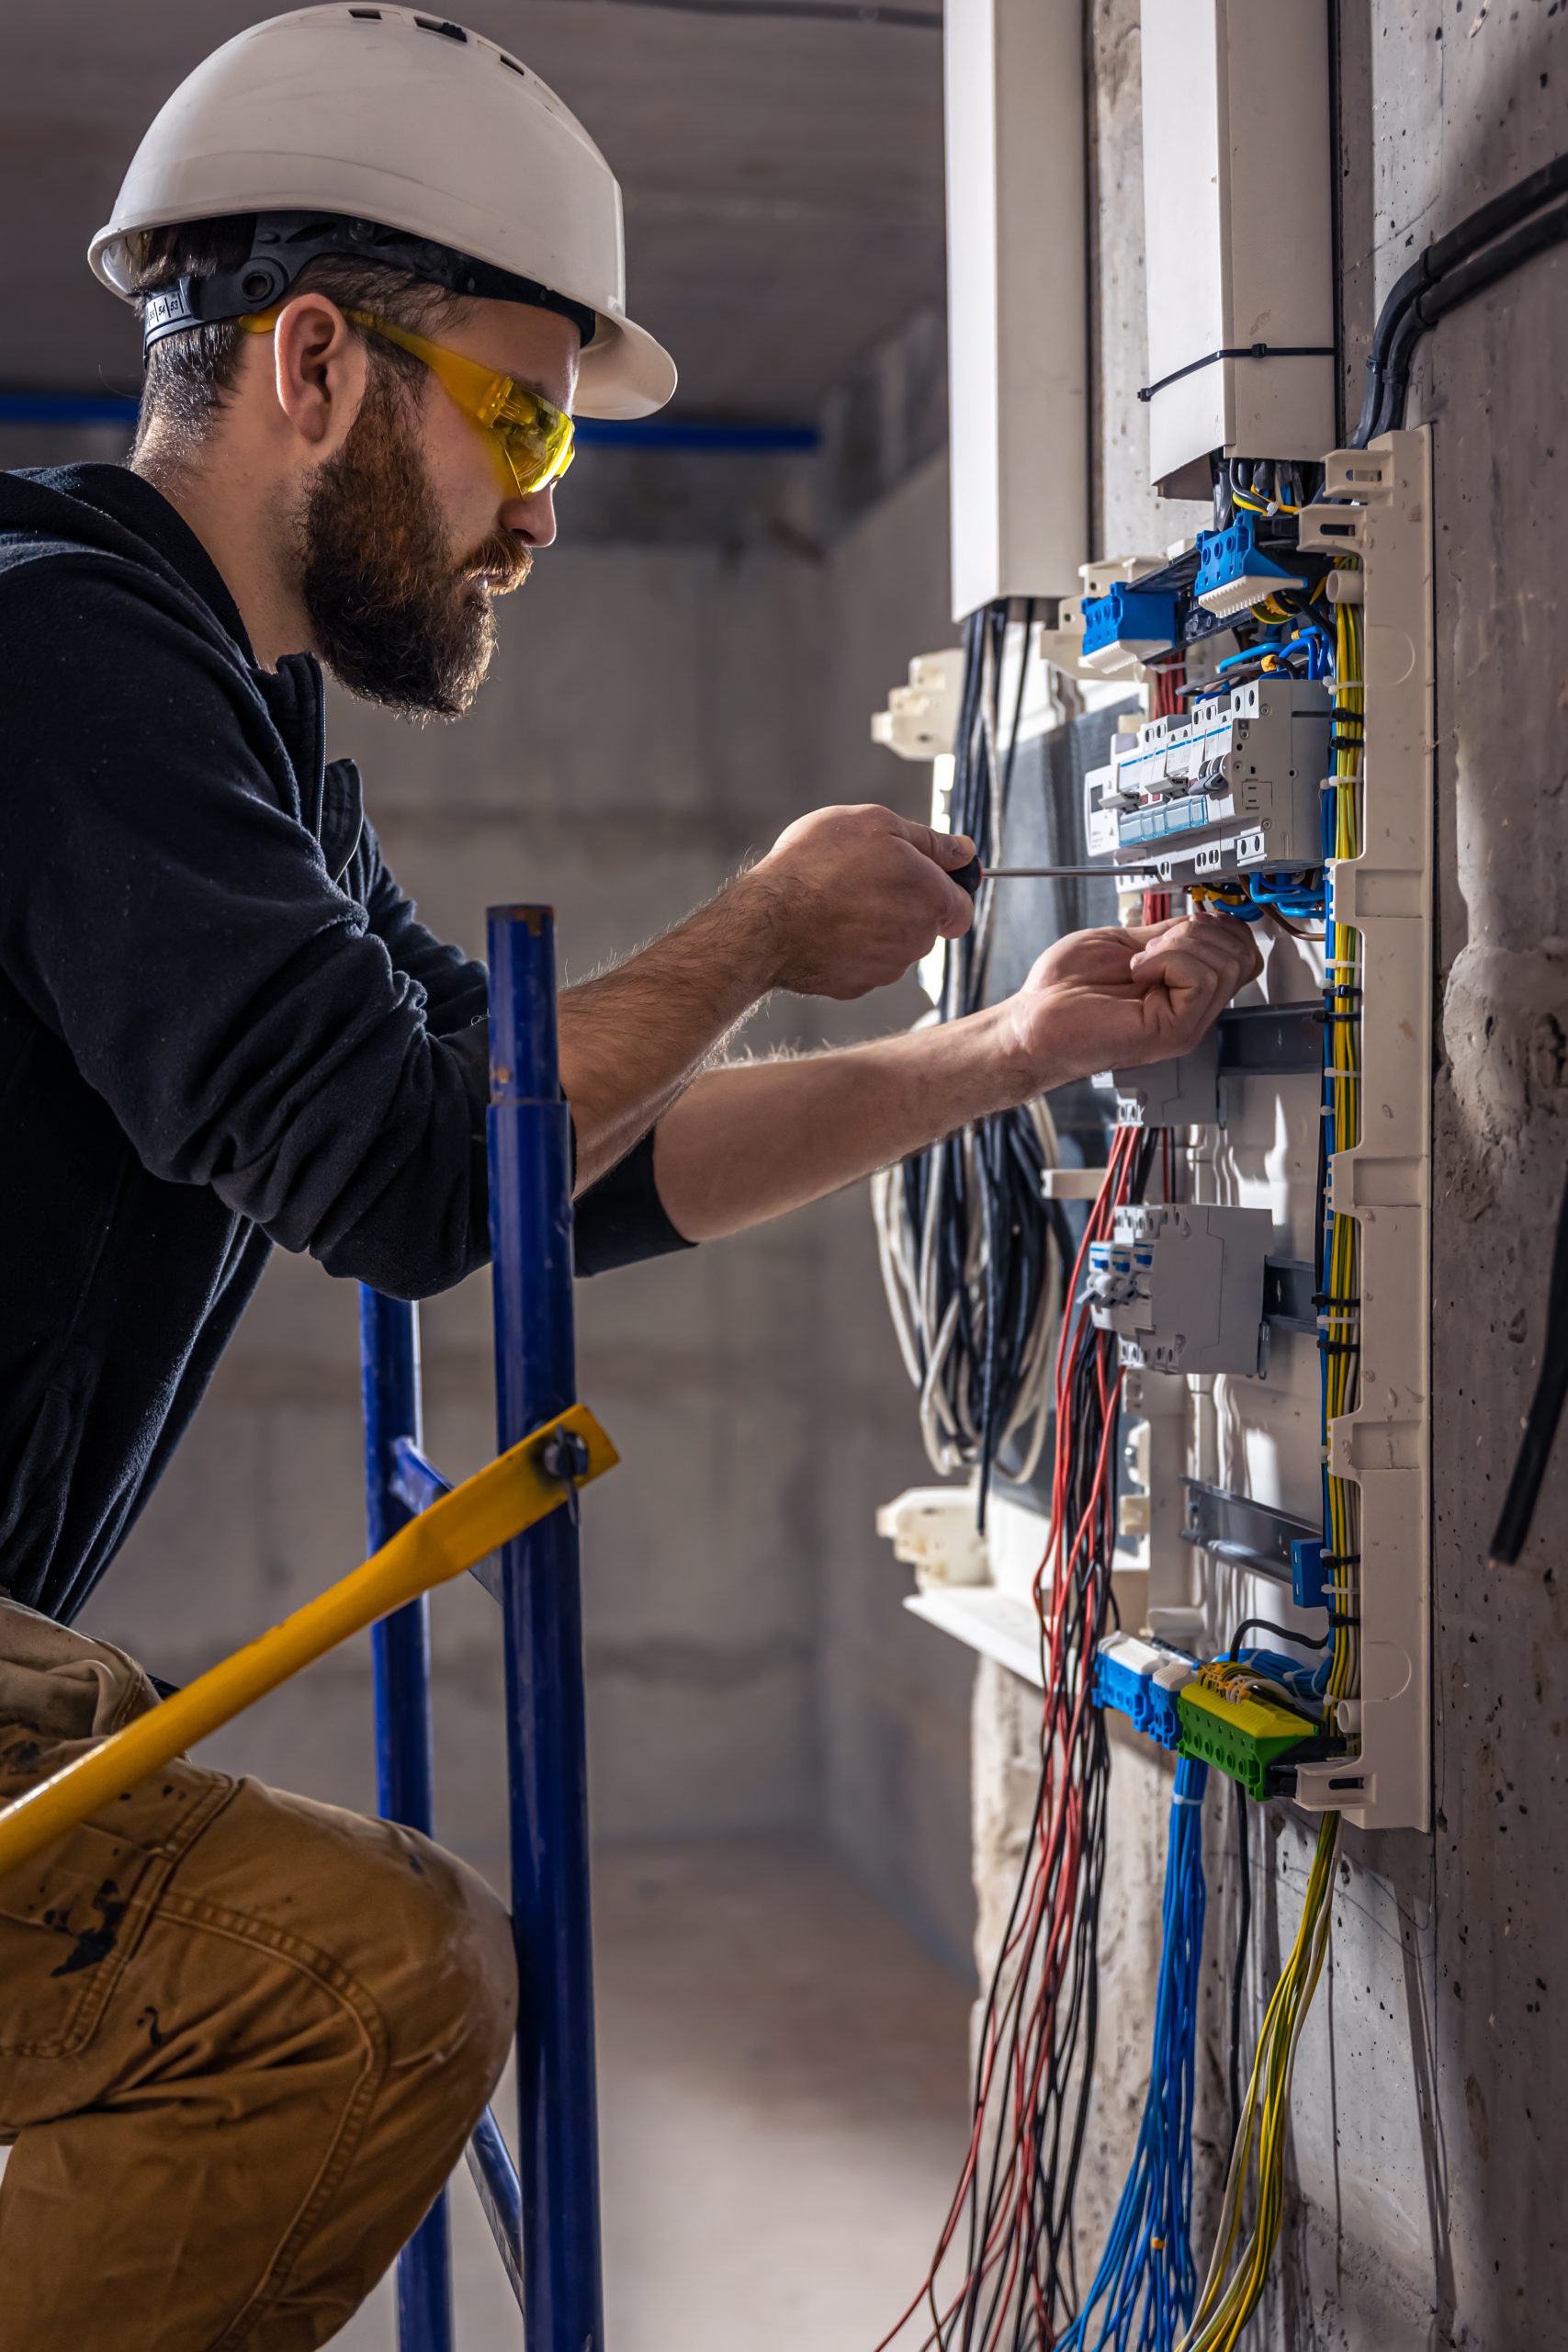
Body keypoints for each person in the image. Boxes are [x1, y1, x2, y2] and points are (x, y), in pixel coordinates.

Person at [0, 8, 1260, 2344]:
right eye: (521, 410)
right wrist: (761, 927)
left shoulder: (224, 718)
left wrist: (995, 1044)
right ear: (312, 363)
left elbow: (523, 1166)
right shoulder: (57, 654)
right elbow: (400, 1167)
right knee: (367, 1988)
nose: (546, 500)